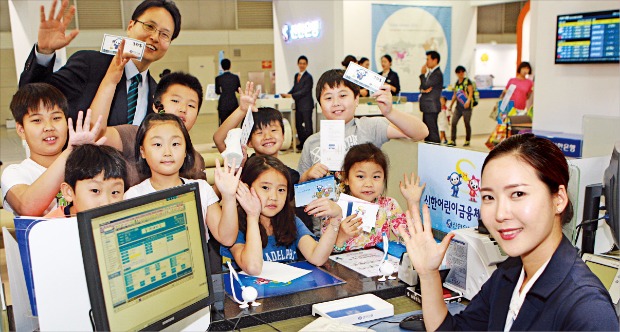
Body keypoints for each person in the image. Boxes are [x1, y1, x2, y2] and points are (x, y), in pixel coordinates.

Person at [398, 133, 619, 331]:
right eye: (489, 197)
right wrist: (428, 274)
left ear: (558, 199)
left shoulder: (587, 310)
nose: (500, 213)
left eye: (518, 194)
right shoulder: (510, 273)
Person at [19, 0, 182, 126]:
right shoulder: (89, 64)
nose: (154, 37)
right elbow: (32, 99)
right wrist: (44, 53)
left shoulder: (155, 91)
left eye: (164, 35)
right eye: (149, 26)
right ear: (131, 26)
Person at [88, 44, 206, 187]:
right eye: (175, 100)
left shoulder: (196, 161)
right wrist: (110, 82)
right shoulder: (134, 135)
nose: (183, 109)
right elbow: (95, 134)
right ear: (156, 106)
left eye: (191, 105)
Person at [124, 112, 241, 247]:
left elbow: (227, 238)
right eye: (157, 144)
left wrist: (229, 196)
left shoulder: (202, 189)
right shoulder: (133, 197)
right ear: (142, 151)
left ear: (186, 150)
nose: (167, 152)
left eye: (175, 144)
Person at [221, 155, 351, 275]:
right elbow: (253, 268)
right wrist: (252, 216)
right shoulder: (234, 225)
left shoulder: (290, 220)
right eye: (265, 188)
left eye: (281, 190)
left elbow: (317, 258)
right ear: (245, 188)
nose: (274, 197)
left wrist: (336, 218)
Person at [297, 69, 428, 183]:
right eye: (328, 98)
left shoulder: (368, 127)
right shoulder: (312, 142)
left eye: (343, 95)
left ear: (356, 99)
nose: (336, 103)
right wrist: (306, 176)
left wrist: (390, 112)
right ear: (320, 104)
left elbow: (421, 132)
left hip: (363, 209)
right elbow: (299, 188)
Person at [1, 83, 104, 217]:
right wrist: (69, 153)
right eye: (37, 120)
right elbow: (27, 207)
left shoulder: (87, 166)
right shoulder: (15, 173)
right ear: (21, 130)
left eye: (56, 118)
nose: (49, 127)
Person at [305, 143, 424, 252]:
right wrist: (341, 236)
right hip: (342, 271)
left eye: (376, 177)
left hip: (378, 270)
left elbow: (412, 240)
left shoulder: (389, 206)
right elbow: (323, 254)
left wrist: (413, 203)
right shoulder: (334, 209)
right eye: (360, 176)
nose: (369, 184)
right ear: (346, 178)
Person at [214, 82, 300, 184]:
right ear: (249, 141)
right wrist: (242, 110)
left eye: (273, 130)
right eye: (259, 132)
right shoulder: (243, 165)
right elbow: (219, 139)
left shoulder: (291, 175)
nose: (268, 136)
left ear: (283, 135)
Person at [44, 144, 128, 217]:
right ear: (68, 192)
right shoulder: (50, 229)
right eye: (95, 191)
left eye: (115, 192)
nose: (106, 203)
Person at [280, 55, 314, 150]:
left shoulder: (308, 77)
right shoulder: (297, 76)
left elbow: (305, 91)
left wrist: (292, 96)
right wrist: (287, 94)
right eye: (300, 63)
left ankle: (309, 145)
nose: (302, 65)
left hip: (306, 105)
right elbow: (295, 88)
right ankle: (302, 143)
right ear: (298, 64)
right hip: (298, 105)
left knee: (307, 126)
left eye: (304, 63)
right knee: (298, 125)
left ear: (306, 65)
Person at [419, 50, 443, 143]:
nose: (426, 62)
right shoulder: (430, 73)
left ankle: (436, 152)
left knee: (432, 132)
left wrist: (422, 75)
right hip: (427, 106)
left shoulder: (437, 74)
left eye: (428, 59)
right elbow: (422, 87)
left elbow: (425, 85)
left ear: (435, 60)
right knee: (427, 132)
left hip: (431, 106)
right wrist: (424, 88)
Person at [447, 65, 474, 147]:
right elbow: (455, 95)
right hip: (458, 107)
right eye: (459, 72)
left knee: (466, 123)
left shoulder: (467, 81)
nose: (461, 73)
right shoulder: (456, 84)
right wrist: (451, 105)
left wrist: (468, 101)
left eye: (462, 71)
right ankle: (452, 140)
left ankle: (467, 140)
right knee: (453, 122)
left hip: (467, 107)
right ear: (456, 73)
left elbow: (470, 92)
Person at [215, 58, 241, 124]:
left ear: (221, 66)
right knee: (234, 123)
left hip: (223, 103)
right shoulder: (235, 77)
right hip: (233, 103)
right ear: (230, 66)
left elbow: (217, 91)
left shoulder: (218, 78)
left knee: (223, 123)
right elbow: (238, 89)